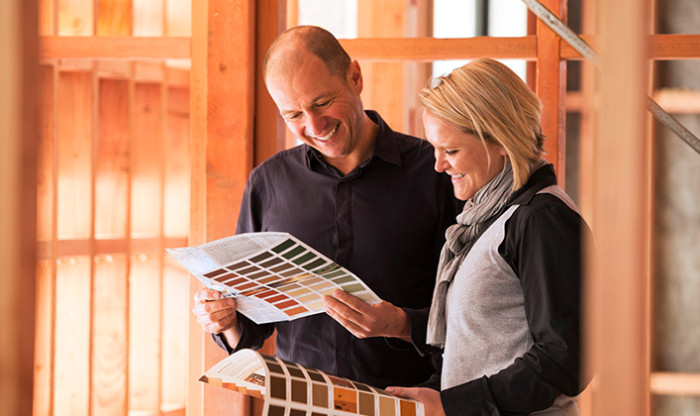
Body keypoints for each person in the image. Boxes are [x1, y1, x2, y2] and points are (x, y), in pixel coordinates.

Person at [191, 25, 463, 388]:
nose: (314, 125)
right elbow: (253, 325)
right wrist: (224, 321)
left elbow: (472, 311)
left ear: (355, 77)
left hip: (412, 402)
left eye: (321, 103)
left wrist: (400, 324)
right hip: (303, 402)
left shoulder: (436, 172)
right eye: (293, 116)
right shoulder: (268, 184)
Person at [387, 58, 590, 415]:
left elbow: (564, 360)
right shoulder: (486, 221)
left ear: (499, 139)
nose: (438, 165)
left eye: (450, 151)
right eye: (434, 149)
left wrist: (452, 406)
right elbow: (480, 345)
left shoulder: (541, 219)